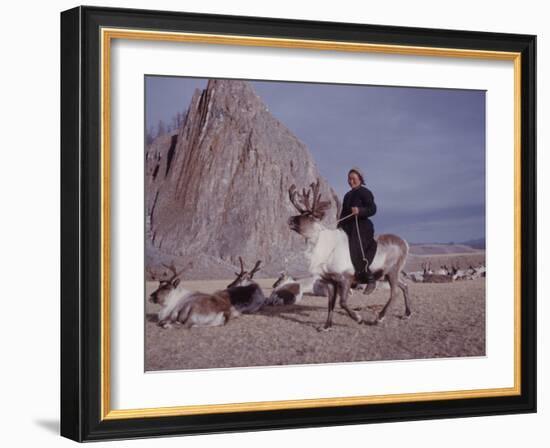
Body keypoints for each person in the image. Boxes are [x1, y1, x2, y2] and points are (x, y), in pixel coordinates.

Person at [338, 167, 378, 295]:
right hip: (348, 226)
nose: (351, 181)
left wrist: (360, 211)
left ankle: (370, 278)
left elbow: (372, 209)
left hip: (362, 226)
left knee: (356, 245)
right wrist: (338, 227)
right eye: (349, 179)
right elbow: (343, 214)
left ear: (360, 179)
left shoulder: (365, 192)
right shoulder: (347, 196)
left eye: (353, 179)